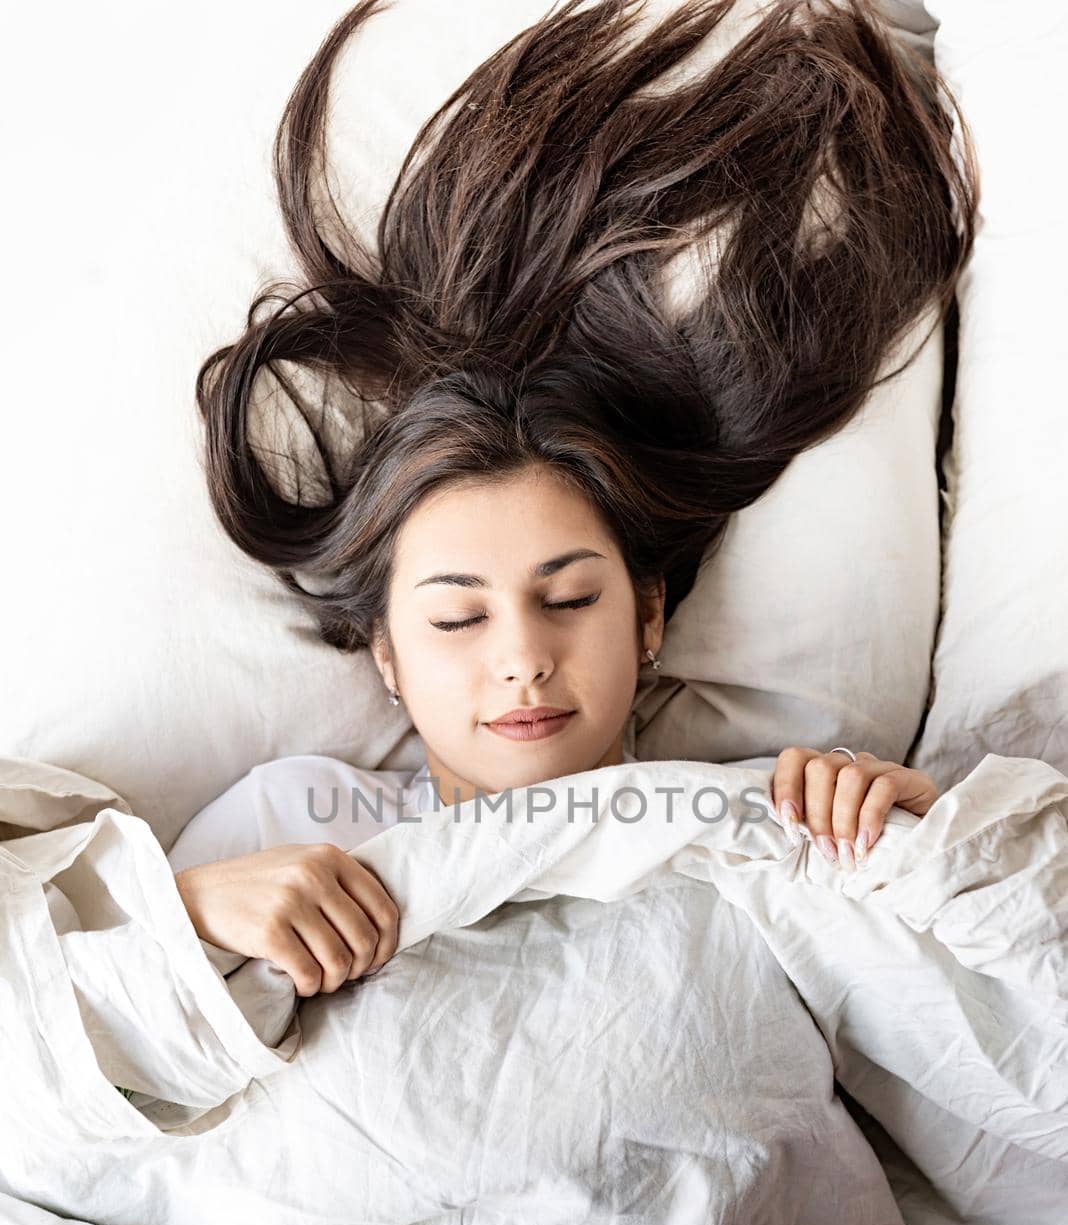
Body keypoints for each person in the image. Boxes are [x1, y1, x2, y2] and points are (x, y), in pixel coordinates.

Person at [172, 0, 971, 997]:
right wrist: (186, 916)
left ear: (647, 616)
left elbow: (983, 1034)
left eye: (569, 598)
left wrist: (921, 844)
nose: (520, 660)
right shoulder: (290, 821)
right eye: (457, 615)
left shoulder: (759, 815)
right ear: (386, 653)